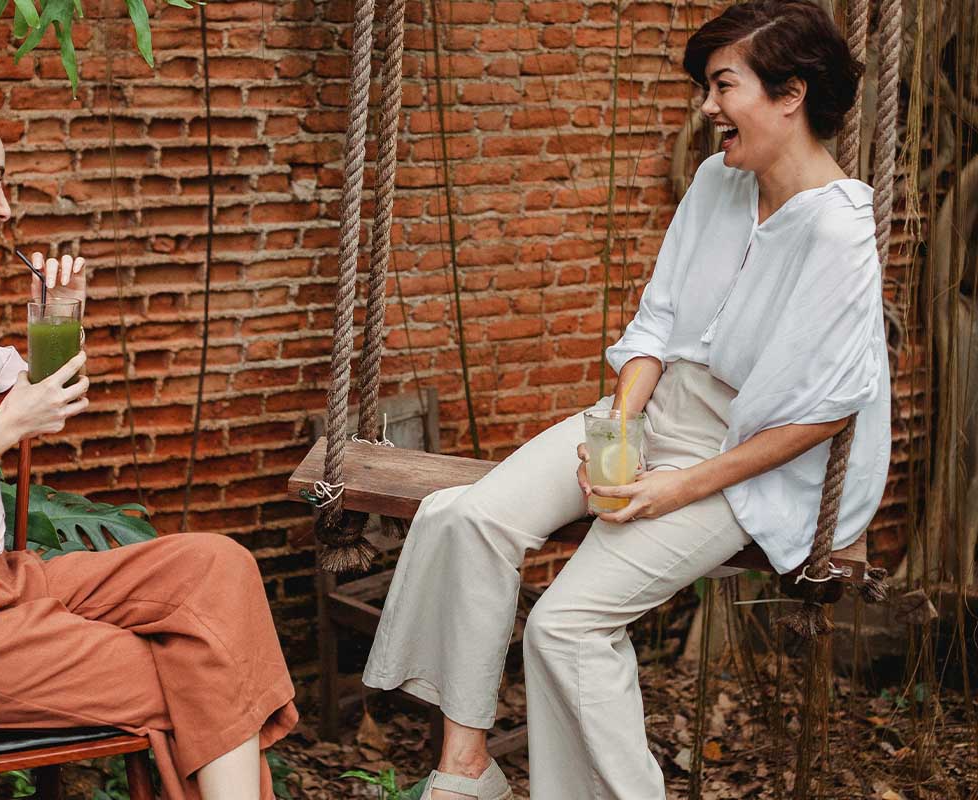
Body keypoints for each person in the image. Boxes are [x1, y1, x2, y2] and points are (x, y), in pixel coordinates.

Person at [361, 1, 890, 798]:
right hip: (659, 411)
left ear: (791, 93)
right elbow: (659, 322)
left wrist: (676, 485)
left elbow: (822, 415)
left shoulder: (839, 231)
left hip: (743, 462)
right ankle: (465, 767)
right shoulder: (718, 180)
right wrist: (623, 425)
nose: (707, 109)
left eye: (723, 85)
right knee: (465, 518)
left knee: (565, 628)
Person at [0, 90, 298, 800]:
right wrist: (7, 425)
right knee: (203, 669)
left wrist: (58, 317)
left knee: (215, 567)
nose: (7, 208)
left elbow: (51, 403)